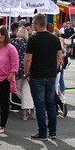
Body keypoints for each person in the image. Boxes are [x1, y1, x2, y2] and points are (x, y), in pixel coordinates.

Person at [25, 13, 63, 141]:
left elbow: (28, 59)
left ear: (36, 24)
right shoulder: (55, 38)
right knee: (51, 104)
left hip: (37, 75)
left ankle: (42, 132)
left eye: (33, 23)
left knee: (40, 104)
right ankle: (53, 131)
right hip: (51, 75)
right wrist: (55, 69)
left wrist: (27, 73)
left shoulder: (33, 38)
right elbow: (59, 57)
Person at [11, 26, 35, 120]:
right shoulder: (27, 42)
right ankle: (30, 107)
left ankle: (29, 108)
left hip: (15, 67)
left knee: (16, 89)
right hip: (26, 68)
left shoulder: (12, 42)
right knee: (25, 90)